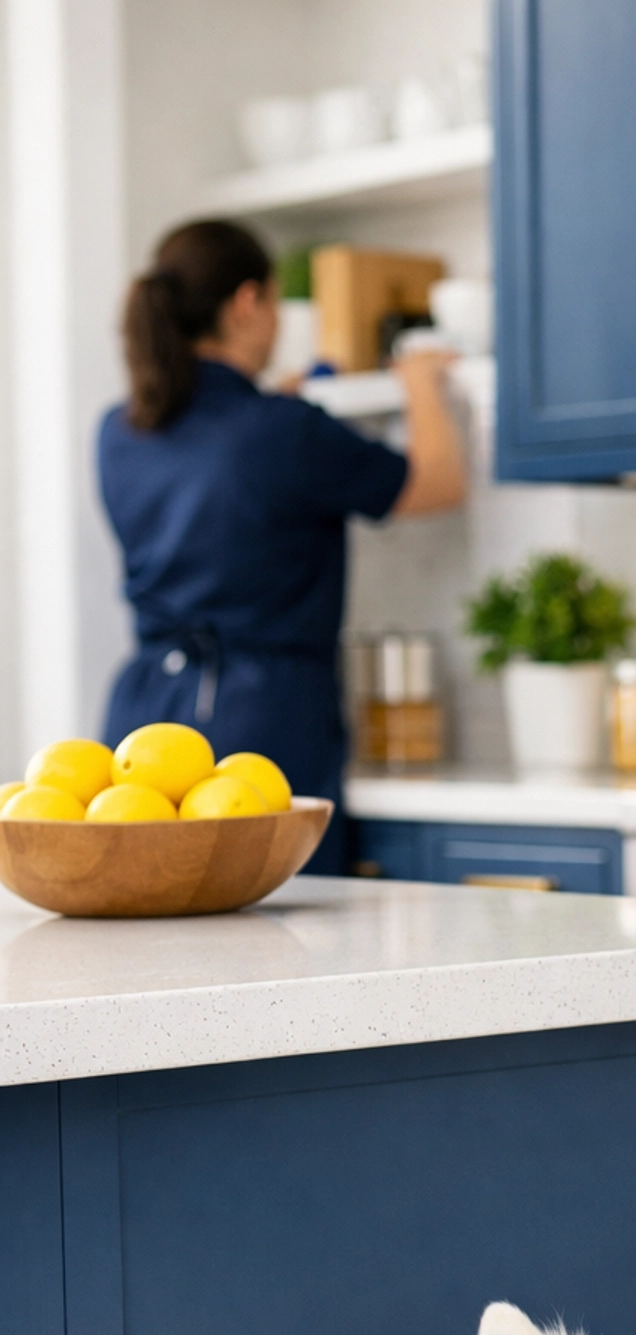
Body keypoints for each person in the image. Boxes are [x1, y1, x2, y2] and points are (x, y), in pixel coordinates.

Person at [98, 219, 465, 873]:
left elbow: (221, 467)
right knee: (281, 946)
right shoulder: (283, 433)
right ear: (247, 304)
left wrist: (279, 408)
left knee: (156, 933)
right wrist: (419, 383)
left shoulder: (119, 432)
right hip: (264, 723)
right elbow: (436, 483)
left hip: (144, 721)